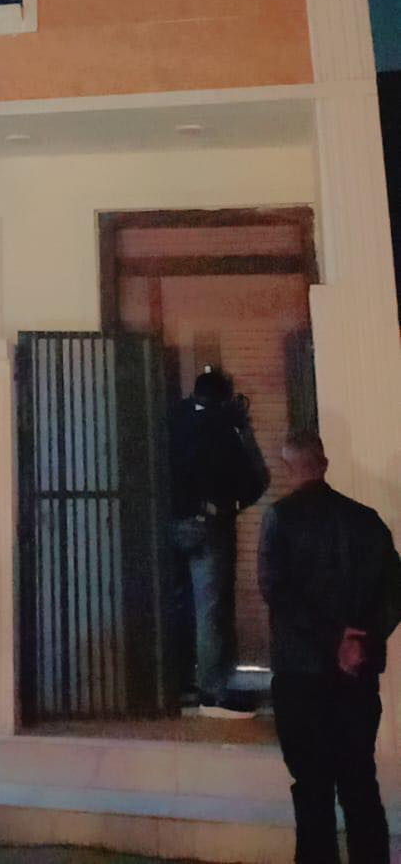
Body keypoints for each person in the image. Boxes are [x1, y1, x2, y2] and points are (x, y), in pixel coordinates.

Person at [259, 431, 401, 864]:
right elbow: (394, 592)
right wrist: (360, 640)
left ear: (287, 467)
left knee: (312, 789)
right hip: (356, 676)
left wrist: (330, 638)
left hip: (300, 675)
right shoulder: (367, 520)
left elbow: (276, 591)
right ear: (324, 463)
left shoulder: (280, 519)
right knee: (360, 783)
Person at [169, 365, 269, 715]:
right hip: (212, 523)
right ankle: (212, 689)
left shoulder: (173, 419)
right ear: (225, 396)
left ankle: (177, 681)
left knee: (175, 602)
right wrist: (233, 505)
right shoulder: (225, 426)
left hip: (170, 523)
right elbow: (257, 477)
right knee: (211, 609)